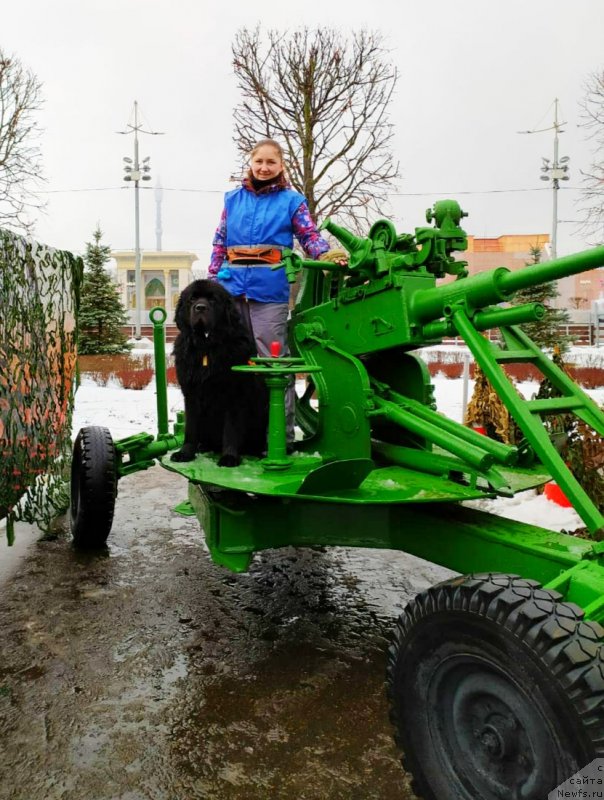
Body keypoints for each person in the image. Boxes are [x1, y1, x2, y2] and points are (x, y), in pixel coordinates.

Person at [207, 138, 346, 445]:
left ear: (281, 166)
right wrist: (213, 280)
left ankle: (279, 438)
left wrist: (324, 256)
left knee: (274, 365)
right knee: (232, 362)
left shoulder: (291, 201)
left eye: (271, 162)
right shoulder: (232, 200)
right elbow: (220, 242)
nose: (264, 167)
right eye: (259, 162)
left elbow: (309, 234)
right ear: (251, 163)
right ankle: (233, 437)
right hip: (231, 290)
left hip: (269, 291)